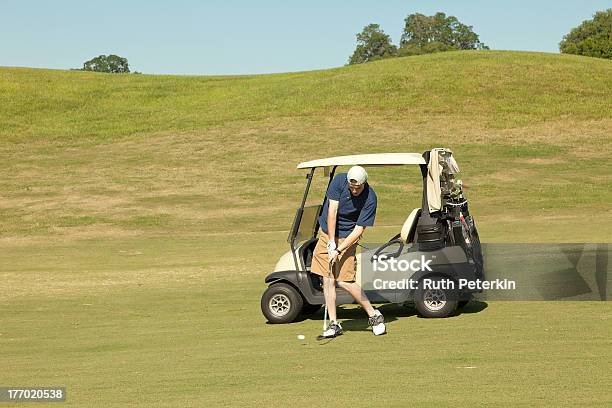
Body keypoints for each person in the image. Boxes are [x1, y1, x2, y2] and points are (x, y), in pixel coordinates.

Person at [311, 165, 386, 337]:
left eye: (357, 187)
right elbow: (332, 211)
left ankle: (374, 316)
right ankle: (333, 324)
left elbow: (359, 230)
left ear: (364, 183)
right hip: (327, 233)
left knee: (345, 281)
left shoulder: (370, 198)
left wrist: (339, 249)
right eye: (351, 186)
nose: (354, 190)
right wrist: (330, 242)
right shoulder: (339, 181)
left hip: (348, 236)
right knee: (327, 279)